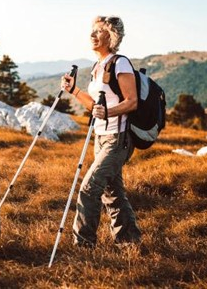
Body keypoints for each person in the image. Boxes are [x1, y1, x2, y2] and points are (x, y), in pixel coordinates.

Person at [61, 16, 142, 248]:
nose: (93, 35)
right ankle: (130, 240)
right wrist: (73, 90)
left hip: (118, 138)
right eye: (92, 31)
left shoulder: (120, 63)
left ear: (111, 36)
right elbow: (95, 106)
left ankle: (83, 245)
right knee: (112, 192)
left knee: (89, 189)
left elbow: (132, 101)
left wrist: (108, 113)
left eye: (99, 31)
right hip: (101, 137)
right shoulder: (98, 66)